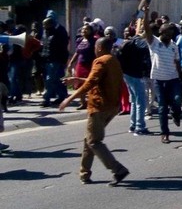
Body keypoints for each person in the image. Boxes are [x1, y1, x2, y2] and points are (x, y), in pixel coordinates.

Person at [59, 37, 129, 186]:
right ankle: (84, 173)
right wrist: (77, 78)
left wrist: (69, 99)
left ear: (98, 48)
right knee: (89, 140)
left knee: (94, 141)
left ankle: (118, 169)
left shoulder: (100, 61)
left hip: (99, 107)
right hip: (112, 106)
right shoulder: (113, 61)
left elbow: (91, 83)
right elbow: (97, 80)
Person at [143, 14, 182, 144]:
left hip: (173, 78)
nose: (169, 36)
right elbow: (147, 30)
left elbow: (177, 61)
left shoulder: (174, 45)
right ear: (161, 32)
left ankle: (176, 114)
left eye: (170, 33)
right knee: (162, 108)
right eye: (166, 33)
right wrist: (145, 15)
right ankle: (164, 133)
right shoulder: (154, 42)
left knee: (177, 100)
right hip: (158, 80)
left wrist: (179, 75)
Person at [118, 26, 151, 134]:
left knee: (134, 100)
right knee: (140, 101)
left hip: (127, 74)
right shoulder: (140, 42)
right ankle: (139, 126)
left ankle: (133, 125)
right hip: (136, 74)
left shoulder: (129, 42)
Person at [40, 11, 70, 107]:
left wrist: (63, 60)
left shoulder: (60, 31)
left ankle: (46, 98)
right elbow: (44, 44)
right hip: (47, 59)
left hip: (56, 59)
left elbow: (63, 46)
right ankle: (62, 96)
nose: (44, 26)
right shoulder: (46, 31)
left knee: (50, 79)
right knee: (58, 79)